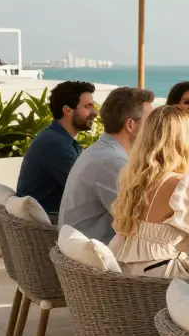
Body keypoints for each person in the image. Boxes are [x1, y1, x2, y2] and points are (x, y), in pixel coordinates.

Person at [109, 105, 189, 279]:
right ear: (183, 143)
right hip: (165, 282)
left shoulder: (134, 178)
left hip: (128, 280)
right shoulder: (182, 183)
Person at [59, 87, 155, 242]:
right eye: (150, 121)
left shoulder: (102, 151)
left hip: (85, 254)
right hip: (101, 261)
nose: (154, 128)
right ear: (130, 125)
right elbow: (142, 222)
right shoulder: (112, 162)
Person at [16, 80, 97, 215]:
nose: (95, 112)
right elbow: (85, 190)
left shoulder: (58, 138)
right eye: (88, 106)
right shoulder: (54, 144)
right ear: (68, 111)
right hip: (53, 226)